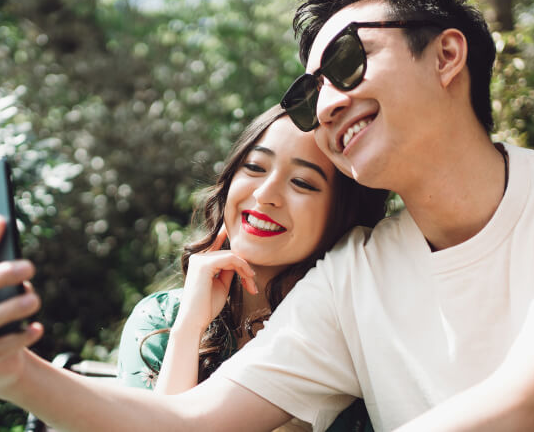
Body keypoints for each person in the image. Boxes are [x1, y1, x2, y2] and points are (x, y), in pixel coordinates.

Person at [0, 0, 534, 431]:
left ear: (446, 55)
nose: (329, 102)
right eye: (309, 94)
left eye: (347, 62)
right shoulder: (353, 276)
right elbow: (190, 423)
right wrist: (16, 373)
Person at [115, 105, 384, 432]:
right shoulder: (162, 319)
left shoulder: (358, 332)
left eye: (301, 182)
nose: (265, 194)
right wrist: (189, 327)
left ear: (344, 214)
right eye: (255, 166)